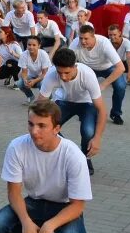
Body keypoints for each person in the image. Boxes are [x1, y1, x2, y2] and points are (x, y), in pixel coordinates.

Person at [0, 99, 91, 233]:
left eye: (42, 126)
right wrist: (26, 221)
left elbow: (77, 206)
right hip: (34, 202)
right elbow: (13, 193)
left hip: (65, 206)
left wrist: (49, 226)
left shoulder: (73, 155)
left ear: (56, 128)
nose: (34, 131)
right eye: (31, 124)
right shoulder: (17, 146)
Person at [38, 48, 107, 176]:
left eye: (67, 72)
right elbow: (40, 102)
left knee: (88, 132)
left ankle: (86, 158)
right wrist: (36, 125)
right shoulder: (52, 74)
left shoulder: (87, 75)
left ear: (75, 66)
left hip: (86, 103)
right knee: (47, 127)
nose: (63, 77)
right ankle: (69, 153)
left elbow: (102, 109)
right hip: (64, 101)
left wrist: (97, 138)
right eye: (60, 72)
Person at [70, 25, 127, 124]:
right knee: (81, 87)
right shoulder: (75, 44)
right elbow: (68, 63)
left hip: (107, 67)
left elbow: (121, 68)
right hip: (88, 68)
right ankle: (85, 112)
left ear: (93, 37)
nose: (83, 41)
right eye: (81, 38)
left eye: (86, 39)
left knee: (121, 86)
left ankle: (116, 113)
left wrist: (103, 85)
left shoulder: (104, 43)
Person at [18, 36, 52, 101]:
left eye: (34, 45)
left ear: (39, 46)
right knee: (20, 83)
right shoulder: (24, 55)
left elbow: (45, 73)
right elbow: (24, 72)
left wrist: (34, 81)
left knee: (42, 84)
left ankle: (49, 99)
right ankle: (30, 97)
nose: (31, 47)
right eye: (29, 45)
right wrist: (25, 81)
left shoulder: (43, 54)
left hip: (43, 76)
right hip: (31, 76)